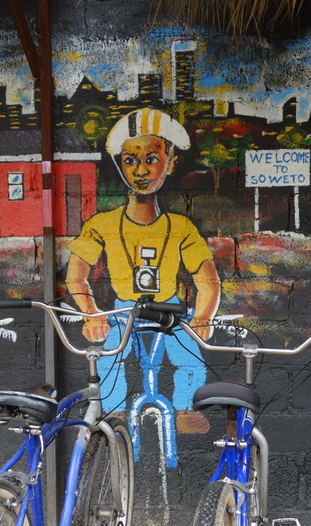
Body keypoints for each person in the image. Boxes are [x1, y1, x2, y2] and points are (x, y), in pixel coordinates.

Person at [65, 108, 221, 433]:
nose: (140, 170)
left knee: (189, 354)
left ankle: (184, 408)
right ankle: (116, 413)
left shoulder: (181, 227)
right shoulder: (102, 224)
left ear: (171, 163)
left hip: (169, 310)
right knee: (109, 355)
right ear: (120, 164)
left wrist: (203, 316)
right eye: (130, 160)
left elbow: (208, 278)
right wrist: (92, 313)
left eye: (152, 159)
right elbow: (75, 275)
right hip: (122, 310)